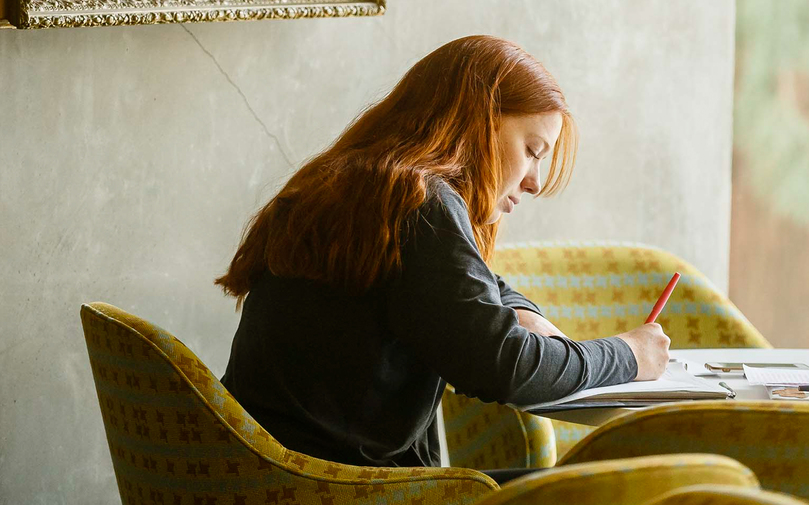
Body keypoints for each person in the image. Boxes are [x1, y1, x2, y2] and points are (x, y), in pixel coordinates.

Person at [215, 35, 670, 480]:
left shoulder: (352, 183)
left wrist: (519, 312)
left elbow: (472, 283)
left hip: (266, 477)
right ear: (478, 121)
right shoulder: (420, 201)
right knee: (621, 489)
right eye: (532, 151)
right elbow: (503, 367)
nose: (533, 181)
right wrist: (628, 354)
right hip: (341, 491)